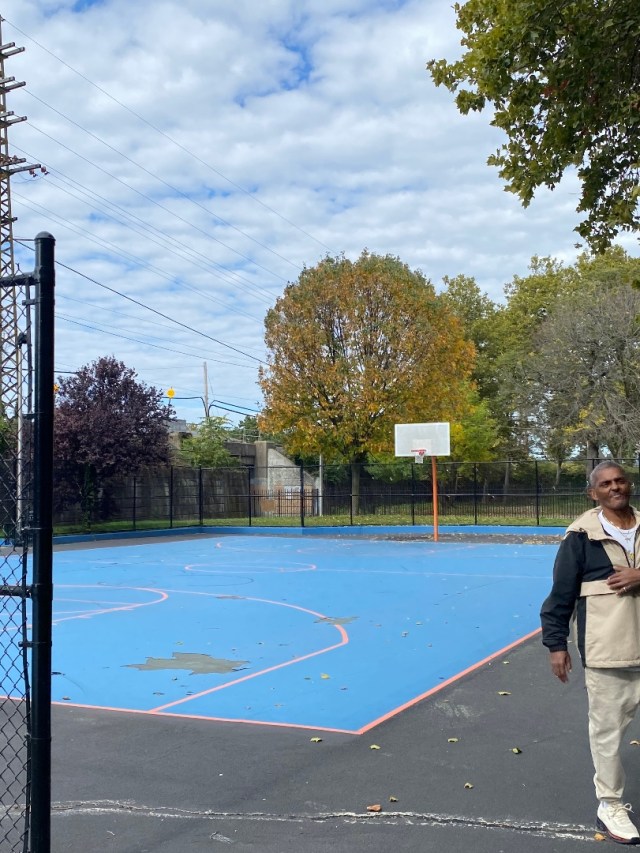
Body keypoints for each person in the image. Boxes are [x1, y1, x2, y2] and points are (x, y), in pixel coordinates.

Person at [541, 461, 640, 845]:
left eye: (620, 480)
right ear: (593, 493)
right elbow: (561, 595)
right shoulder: (580, 537)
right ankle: (610, 804)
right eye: (605, 484)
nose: (615, 487)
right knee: (608, 735)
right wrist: (556, 644)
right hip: (609, 655)